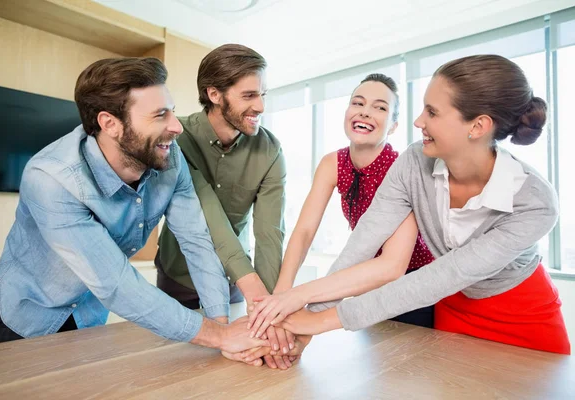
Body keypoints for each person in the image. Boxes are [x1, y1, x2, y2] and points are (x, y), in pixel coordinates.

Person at [245, 54, 571, 357]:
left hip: (522, 313)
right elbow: (362, 244)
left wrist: (317, 320)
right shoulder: (415, 161)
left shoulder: (535, 203)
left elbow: (442, 274)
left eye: (432, 112)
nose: (419, 121)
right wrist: (302, 311)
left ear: (478, 126)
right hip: (451, 307)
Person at [0, 57, 269, 357]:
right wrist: (220, 337)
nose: (176, 126)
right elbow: (116, 284)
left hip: (90, 313)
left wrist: (220, 326)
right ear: (110, 124)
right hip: (30, 311)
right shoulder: (51, 178)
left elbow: (196, 242)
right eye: (160, 115)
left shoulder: (171, 159)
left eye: (171, 111)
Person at [246, 73, 435, 340]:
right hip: (367, 284)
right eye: (358, 103)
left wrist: (300, 300)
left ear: (393, 126)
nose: (366, 112)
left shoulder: (400, 169)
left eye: (380, 107)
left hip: (414, 285)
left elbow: (393, 265)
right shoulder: (332, 163)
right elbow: (304, 231)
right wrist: (282, 294)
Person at [154, 44, 293, 369]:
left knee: (232, 374)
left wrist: (266, 311)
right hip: (178, 276)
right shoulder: (177, 137)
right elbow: (207, 217)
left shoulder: (270, 150)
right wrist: (257, 294)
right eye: (249, 96)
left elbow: (270, 234)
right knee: (171, 370)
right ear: (215, 94)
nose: (260, 105)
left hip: (235, 283)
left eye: (263, 94)